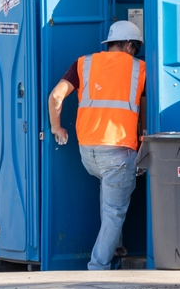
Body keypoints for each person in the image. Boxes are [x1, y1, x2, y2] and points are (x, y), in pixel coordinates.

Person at [48, 20, 146, 270]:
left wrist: (55, 127)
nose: (134, 52)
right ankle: (98, 267)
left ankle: (116, 246)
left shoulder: (84, 63)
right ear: (128, 45)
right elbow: (144, 109)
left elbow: (56, 96)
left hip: (87, 153)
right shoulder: (140, 69)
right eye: (135, 47)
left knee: (109, 200)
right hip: (117, 151)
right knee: (114, 213)